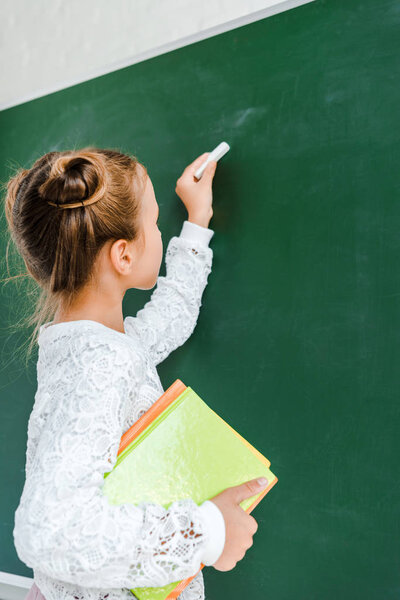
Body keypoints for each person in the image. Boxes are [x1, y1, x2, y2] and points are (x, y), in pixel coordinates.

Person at [5, 147, 269, 600]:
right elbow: (50, 531)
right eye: (154, 224)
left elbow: (170, 317)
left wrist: (196, 221)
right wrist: (208, 531)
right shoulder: (100, 363)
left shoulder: (92, 344)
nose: (158, 232)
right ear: (123, 256)